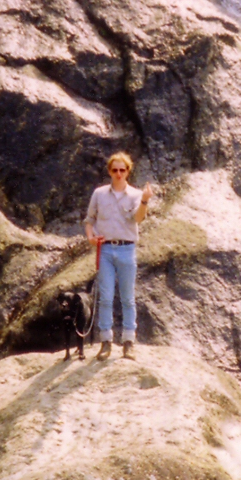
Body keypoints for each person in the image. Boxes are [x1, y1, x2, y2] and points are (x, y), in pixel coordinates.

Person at [83, 152, 152, 360]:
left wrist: (145, 201)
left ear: (128, 171)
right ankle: (105, 342)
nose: (119, 174)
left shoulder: (136, 195)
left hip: (127, 249)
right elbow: (89, 220)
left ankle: (128, 342)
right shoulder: (99, 194)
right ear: (109, 171)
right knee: (105, 297)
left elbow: (138, 219)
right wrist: (90, 237)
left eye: (123, 170)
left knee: (127, 298)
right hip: (105, 249)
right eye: (115, 170)